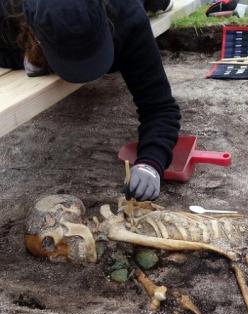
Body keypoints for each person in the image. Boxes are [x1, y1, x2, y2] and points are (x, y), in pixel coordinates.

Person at [0, 0, 180, 201]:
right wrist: (26, 57)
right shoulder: (9, 13)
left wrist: (151, 162)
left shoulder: (127, 15)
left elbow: (159, 107)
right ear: (36, 34)